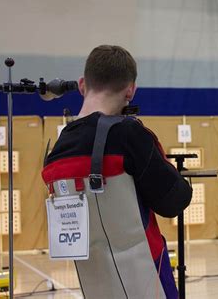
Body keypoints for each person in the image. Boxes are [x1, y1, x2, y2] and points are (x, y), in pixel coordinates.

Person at [42, 45, 192, 298]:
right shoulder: (130, 135)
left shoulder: (54, 153)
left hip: (94, 281)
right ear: (130, 90)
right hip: (147, 275)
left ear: (81, 85)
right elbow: (174, 201)